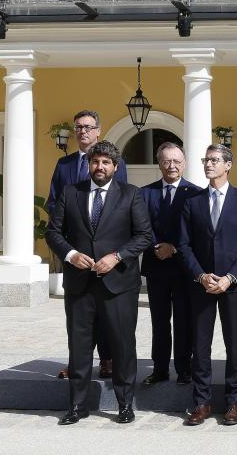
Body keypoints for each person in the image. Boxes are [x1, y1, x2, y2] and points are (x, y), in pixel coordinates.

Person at [45, 140, 153, 426]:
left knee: (122, 346)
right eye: (95, 162)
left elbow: (144, 236)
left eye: (106, 162)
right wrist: (70, 254)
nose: (100, 166)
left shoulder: (131, 195)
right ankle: (77, 406)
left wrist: (117, 257)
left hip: (118, 284)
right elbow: (53, 232)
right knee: (79, 347)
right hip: (80, 285)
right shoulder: (71, 193)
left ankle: (125, 404)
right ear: (89, 165)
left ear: (115, 167)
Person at [178, 145, 237, 426]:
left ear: (228, 165)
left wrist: (229, 278)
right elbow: (184, 245)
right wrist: (201, 276)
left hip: (232, 286)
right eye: (206, 160)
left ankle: (234, 402)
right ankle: (201, 402)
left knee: (234, 345)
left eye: (214, 160)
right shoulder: (193, 202)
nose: (208, 164)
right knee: (200, 347)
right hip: (201, 285)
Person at [47, 110, 128, 380]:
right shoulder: (64, 165)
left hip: (106, 249)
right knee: (78, 317)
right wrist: (68, 247)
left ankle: (107, 360)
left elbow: (121, 202)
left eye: (88, 127)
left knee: (106, 312)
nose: (82, 131)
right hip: (75, 250)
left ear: (98, 131)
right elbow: (54, 201)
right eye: (78, 127)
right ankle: (76, 363)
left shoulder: (117, 163)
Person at [138, 142, 201, 387]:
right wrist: (156, 247)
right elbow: (141, 226)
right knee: (159, 321)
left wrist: (173, 247)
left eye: (176, 161)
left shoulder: (196, 193)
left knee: (185, 321)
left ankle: (185, 369)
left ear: (184, 163)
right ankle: (160, 369)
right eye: (166, 161)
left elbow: (197, 230)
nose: (171, 165)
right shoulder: (145, 193)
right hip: (156, 267)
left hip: (185, 268)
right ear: (159, 163)